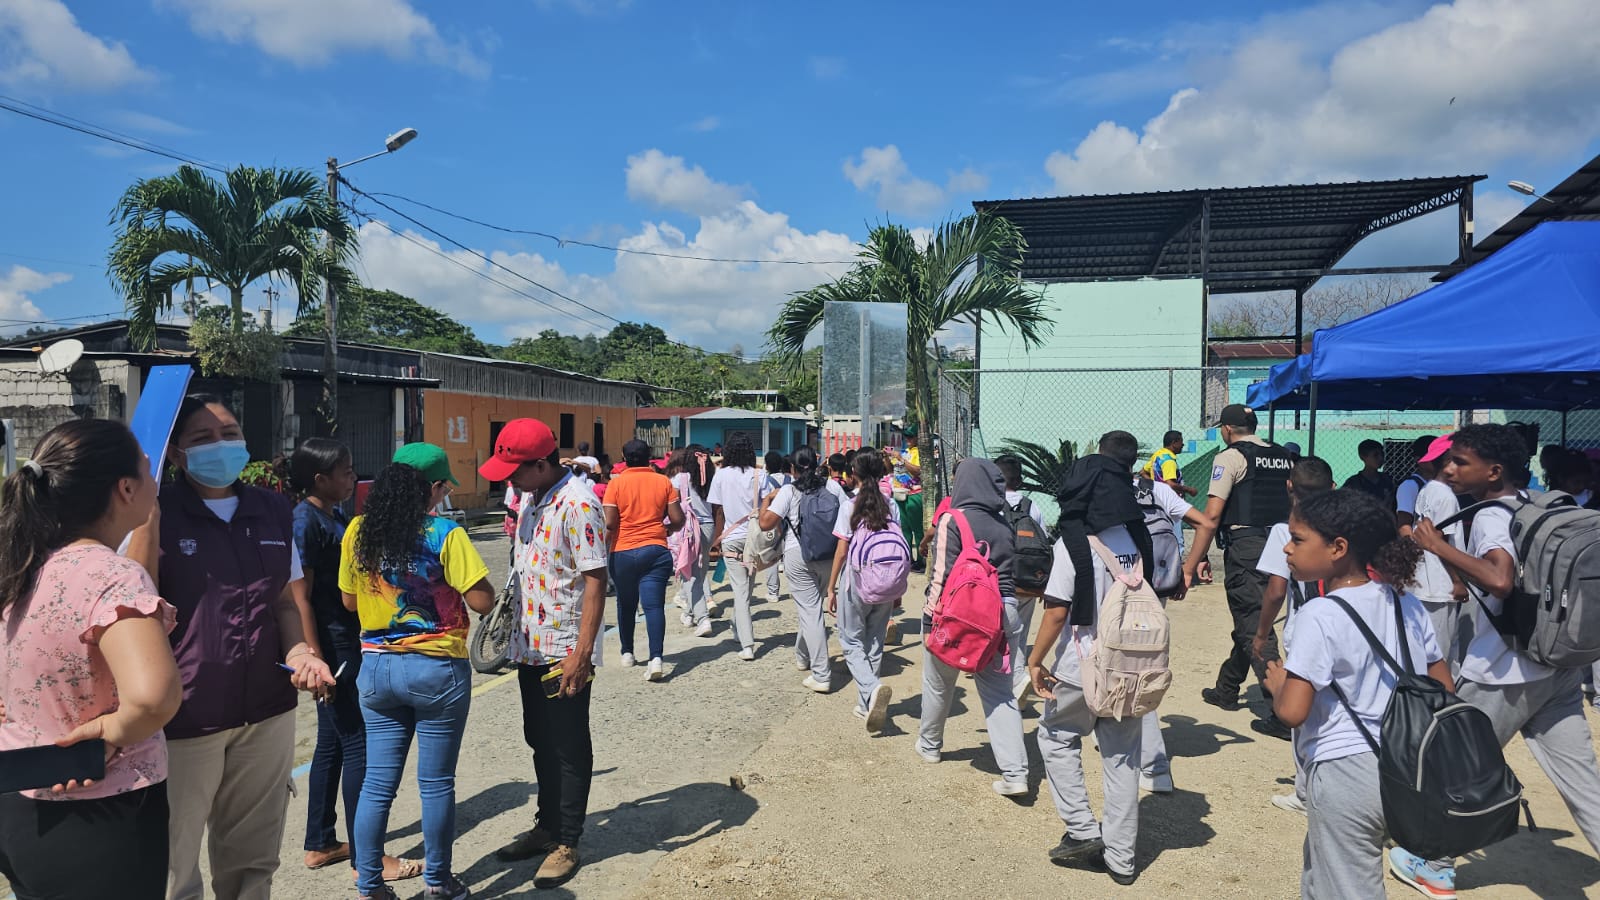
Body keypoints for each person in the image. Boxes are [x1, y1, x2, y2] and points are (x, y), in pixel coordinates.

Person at [125, 394, 334, 900]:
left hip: (266, 711)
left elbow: (284, 601)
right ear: (176, 453)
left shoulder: (272, 509)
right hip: (183, 718)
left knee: (253, 861)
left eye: (230, 434)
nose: (220, 445)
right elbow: (134, 602)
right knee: (171, 867)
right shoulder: (151, 513)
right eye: (203, 438)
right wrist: (146, 521)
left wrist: (302, 653)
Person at [1391, 424, 1600, 897]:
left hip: (1505, 670)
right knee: (1582, 780)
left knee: (1456, 763)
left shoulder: (1490, 515)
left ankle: (1434, 864)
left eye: (1460, 462)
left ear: (1493, 471)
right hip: (1556, 665)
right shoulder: (1534, 501)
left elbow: (1500, 580)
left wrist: (1438, 546)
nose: (1448, 468)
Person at [0, 419, 182, 900]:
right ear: (126, 489)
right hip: (102, 811)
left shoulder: (20, 564)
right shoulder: (113, 577)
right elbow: (154, 697)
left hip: (18, 801)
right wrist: (111, 731)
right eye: (146, 466)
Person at [1262, 489, 1447, 899]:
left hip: (1347, 771)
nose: (1287, 548)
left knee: (1350, 886)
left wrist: (1277, 687)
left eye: (1298, 539)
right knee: (1322, 874)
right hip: (1409, 767)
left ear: (1338, 548)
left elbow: (1292, 711)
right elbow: (1443, 687)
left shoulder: (1320, 613)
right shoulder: (1406, 603)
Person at [339, 446, 494, 900]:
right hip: (436, 669)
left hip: (376, 669)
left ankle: (370, 885)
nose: (443, 495)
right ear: (430, 488)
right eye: (443, 488)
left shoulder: (358, 531)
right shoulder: (445, 534)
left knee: (376, 784)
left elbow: (349, 601)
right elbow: (482, 601)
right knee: (436, 782)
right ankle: (438, 883)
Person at [1027, 433, 1156, 887]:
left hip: (1080, 665)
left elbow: (1056, 611)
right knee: (1122, 758)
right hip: (1133, 666)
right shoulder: (1138, 538)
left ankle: (1082, 830)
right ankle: (1122, 859)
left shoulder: (1074, 544)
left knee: (1056, 736)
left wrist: (1035, 660)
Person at [484, 419, 608, 889]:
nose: (509, 480)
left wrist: (582, 653)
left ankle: (567, 840)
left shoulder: (579, 502)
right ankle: (547, 824)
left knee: (568, 746)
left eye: (515, 470)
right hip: (530, 647)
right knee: (538, 738)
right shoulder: (532, 500)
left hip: (563, 650)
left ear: (541, 464)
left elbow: (595, 580)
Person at [290, 440, 422, 883]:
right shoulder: (305, 522)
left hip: (344, 640)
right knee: (359, 744)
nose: (353, 477)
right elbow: (300, 597)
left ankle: (320, 841)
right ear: (319, 479)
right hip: (333, 647)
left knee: (331, 742)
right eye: (345, 471)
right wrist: (314, 657)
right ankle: (368, 857)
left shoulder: (334, 516)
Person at [917, 458, 1029, 794]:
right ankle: (1016, 774)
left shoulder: (953, 519)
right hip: (1004, 611)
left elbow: (940, 575)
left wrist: (928, 619)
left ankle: (930, 745)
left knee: (939, 683)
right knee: (999, 694)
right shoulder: (1003, 523)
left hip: (961, 615)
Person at [1182, 404, 1291, 732]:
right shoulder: (1284, 456)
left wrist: (1194, 561)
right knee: (1252, 618)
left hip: (1249, 548)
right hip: (1284, 543)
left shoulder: (1230, 457)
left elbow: (1212, 515)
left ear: (1227, 429)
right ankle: (1227, 688)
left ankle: (1283, 713)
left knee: (1253, 623)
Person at [1249, 455, 1335, 812]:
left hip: (1305, 630)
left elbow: (1275, 590)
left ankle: (1305, 791)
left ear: (1289, 487)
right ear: (1333, 487)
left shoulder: (1285, 531)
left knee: (1303, 711)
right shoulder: (1345, 524)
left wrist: (1261, 633)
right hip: (1344, 624)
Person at [1129, 442, 1213, 793]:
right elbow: (1205, 522)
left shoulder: (1108, 490)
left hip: (1120, 589)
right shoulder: (1158, 490)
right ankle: (1138, 749)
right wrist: (1188, 569)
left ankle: (1153, 764)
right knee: (1142, 664)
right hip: (1159, 586)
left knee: (1127, 667)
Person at [760, 447, 849, 692]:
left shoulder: (789, 491)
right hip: (829, 555)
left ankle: (821, 675)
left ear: (792, 468)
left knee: (810, 612)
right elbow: (849, 515)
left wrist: (767, 500)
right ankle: (802, 655)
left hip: (798, 555)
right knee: (811, 609)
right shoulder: (832, 487)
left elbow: (765, 523)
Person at [827, 448, 903, 732]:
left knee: (850, 641)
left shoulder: (850, 505)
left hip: (857, 580)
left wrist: (831, 587)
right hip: (886, 581)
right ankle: (864, 704)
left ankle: (871, 689)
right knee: (874, 643)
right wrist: (897, 590)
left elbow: (841, 551)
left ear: (853, 474)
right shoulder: (890, 504)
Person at [605, 439, 685, 680]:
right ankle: (656, 657)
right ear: (649, 456)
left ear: (623, 457)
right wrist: (666, 529)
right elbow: (678, 519)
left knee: (626, 604)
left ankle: (627, 652)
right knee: (654, 606)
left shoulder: (615, 484)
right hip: (656, 549)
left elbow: (610, 523)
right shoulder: (663, 482)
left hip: (623, 551)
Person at [1397, 436, 1468, 672]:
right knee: (1439, 656)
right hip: (1440, 583)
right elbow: (1443, 543)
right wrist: (1458, 581)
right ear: (1448, 463)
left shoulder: (1428, 490)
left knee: (1426, 650)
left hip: (1426, 581)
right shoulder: (1445, 496)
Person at [994, 454, 1046, 701]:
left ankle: (1013, 679)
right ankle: (1016, 677)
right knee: (1020, 633)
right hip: (1027, 581)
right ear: (1020, 481)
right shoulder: (1031, 506)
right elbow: (1044, 543)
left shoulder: (991, 504)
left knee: (997, 631)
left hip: (998, 580)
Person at [708, 435, 766, 661]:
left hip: (731, 537)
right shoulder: (759, 475)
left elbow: (718, 511)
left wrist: (716, 541)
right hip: (754, 538)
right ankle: (739, 629)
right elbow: (767, 508)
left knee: (741, 591)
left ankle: (747, 643)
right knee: (746, 590)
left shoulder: (721, 475)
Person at [666, 446, 716, 637]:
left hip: (688, 529)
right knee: (699, 573)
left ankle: (703, 618)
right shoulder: (711, 478)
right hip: (709, 527)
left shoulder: (680, 479)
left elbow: (672, 504)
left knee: (688, 573)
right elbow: (717, 508)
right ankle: (689, 613)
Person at [891, 427, 926, 573]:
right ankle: (908, 558)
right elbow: (891, 468)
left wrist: (901, 459)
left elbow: (918, 470)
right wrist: (887, 457)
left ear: (917, 437)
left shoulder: (919, 452)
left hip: (914, 494)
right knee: (904, 528)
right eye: (906, 437)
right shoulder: (905, 451)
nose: (908, 439)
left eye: (910, 437)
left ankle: (921, 560)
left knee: (917, 530)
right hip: (900, 493)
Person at [761, 451, 792, 604]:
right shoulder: (790, 479)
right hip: (790, 521)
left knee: (771, 556)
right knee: (791, 555)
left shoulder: (765, 481)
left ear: (766, 465)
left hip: (773, 521)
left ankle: (773, 592)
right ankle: (794, 589)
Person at [1143, 430, 1198, 498]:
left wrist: (1155, 485)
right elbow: (1171, 485)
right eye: (1181, 442)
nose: (1183, 445)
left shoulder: (1158, 455)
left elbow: (1143, 472)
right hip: (1169, 500)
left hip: (1158, 497)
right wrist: (1190, 490)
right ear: (1174, 443)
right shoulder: (1168, 461)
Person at [1342, 439, 1395, 509]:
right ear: (1362, 457)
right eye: (1375, 455)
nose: (1381, 458)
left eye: (1382, 454)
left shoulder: (1388, 480)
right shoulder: (1353, 483)